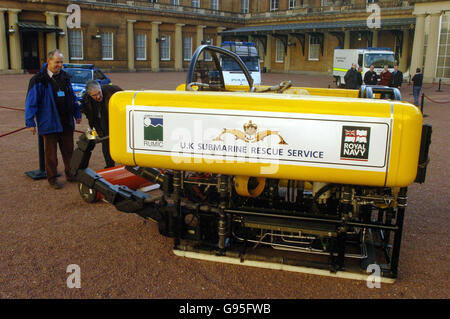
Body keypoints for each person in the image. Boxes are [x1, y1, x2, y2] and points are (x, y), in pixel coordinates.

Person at [25, 49, 81, 189]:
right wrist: (30, 122)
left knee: (69, 152)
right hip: (49, 122)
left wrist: (77, 113)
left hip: (66, 122)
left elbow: (72, 97)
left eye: (61, 62)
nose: (60, 65)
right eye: (57, 62)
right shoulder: (38, 80)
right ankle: (52, 178)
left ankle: (70, 174)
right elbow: (31, 102)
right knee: (51, 155)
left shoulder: (65, 77)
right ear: (49, 61)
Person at [81, 80, 123, 168]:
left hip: (116, 123)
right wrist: (96, 131)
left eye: (99, 93)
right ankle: (110, 166)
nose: (98, 96)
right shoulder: (86, 100)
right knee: (106, 146)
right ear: (89, 94)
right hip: (101, 126)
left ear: (100, 87)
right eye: (94, 95)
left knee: (122, 146)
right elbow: (91, 118)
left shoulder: (114, 91)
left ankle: (126, 165)